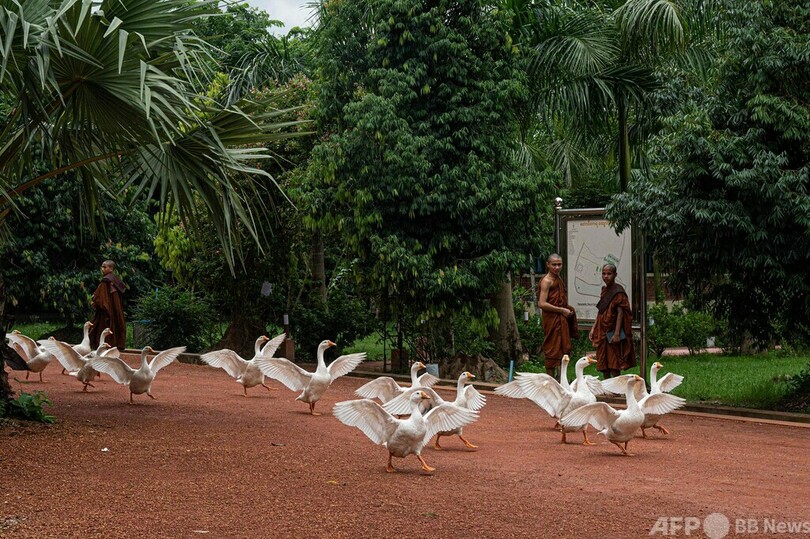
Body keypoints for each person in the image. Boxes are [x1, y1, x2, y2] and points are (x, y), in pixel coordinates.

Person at [589, 263, 635, 379]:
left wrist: (617, 333)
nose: (606, 276)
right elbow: (601, 311)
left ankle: (616, 386)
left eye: (609, 274)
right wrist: (594, 328)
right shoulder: (604, 290)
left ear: (615, 275)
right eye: (603, 273)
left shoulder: (618, 291)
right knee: (603, 362)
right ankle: (606, 385)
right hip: (602, 330)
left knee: (614, 362)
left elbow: (620, 313)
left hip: (612, 330)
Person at [538, 253, 578, 380]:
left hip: (561, 320)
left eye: (559, 264)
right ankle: (550, 381)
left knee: (563, 350)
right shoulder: (547, 281)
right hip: (552, 321)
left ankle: (562, 380)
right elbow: (542, 303)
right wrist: (561, 310)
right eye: (554, 265)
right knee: (552, 351)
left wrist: (566, 310)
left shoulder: (558, 278)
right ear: (548, 265)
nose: (557, 267)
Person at [90, 260, 127, 350]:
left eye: (104, 267)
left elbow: (101, 298)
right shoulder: (115, 279)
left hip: (105, 311)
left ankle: (103, 347)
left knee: (102, 328)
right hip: (115, 309)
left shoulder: (106, 281)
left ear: (111, 268)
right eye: (102, 267)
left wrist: (94, 299)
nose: (102, 269)